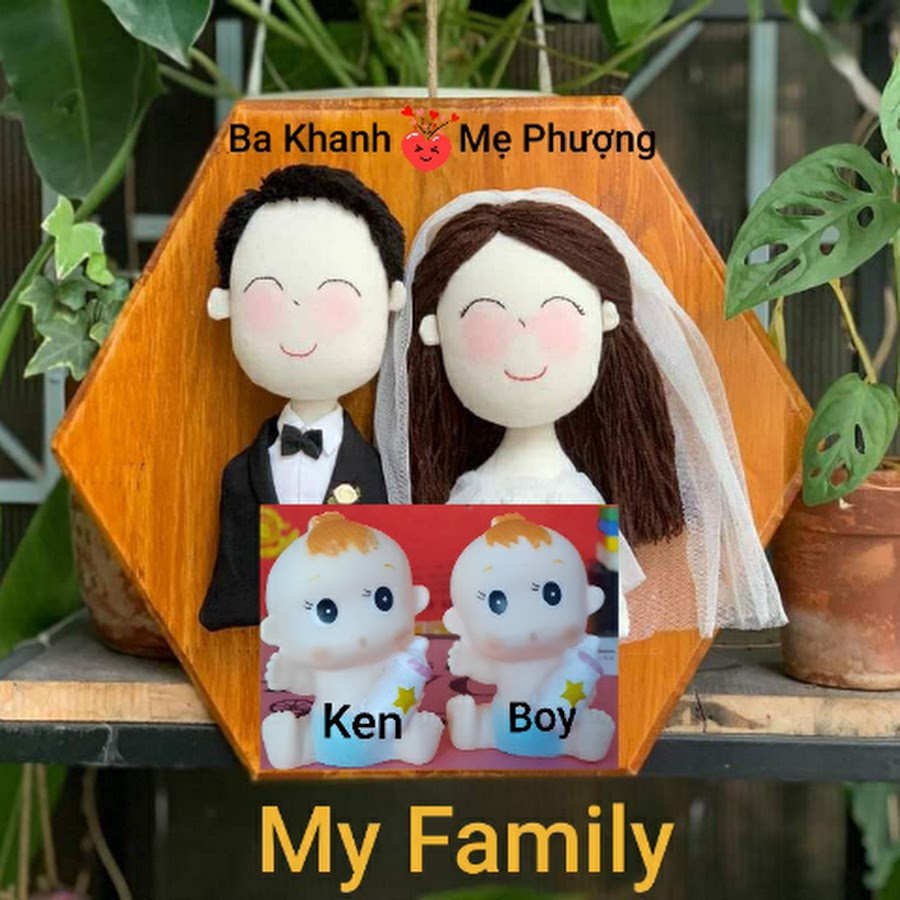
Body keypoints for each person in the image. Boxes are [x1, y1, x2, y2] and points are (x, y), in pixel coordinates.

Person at [200, 165, 406, 631]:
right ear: (225, 304)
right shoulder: (240, 475)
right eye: (268, 300)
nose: (300, 323)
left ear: (390, 301)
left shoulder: (379, 476)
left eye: (334, 302)